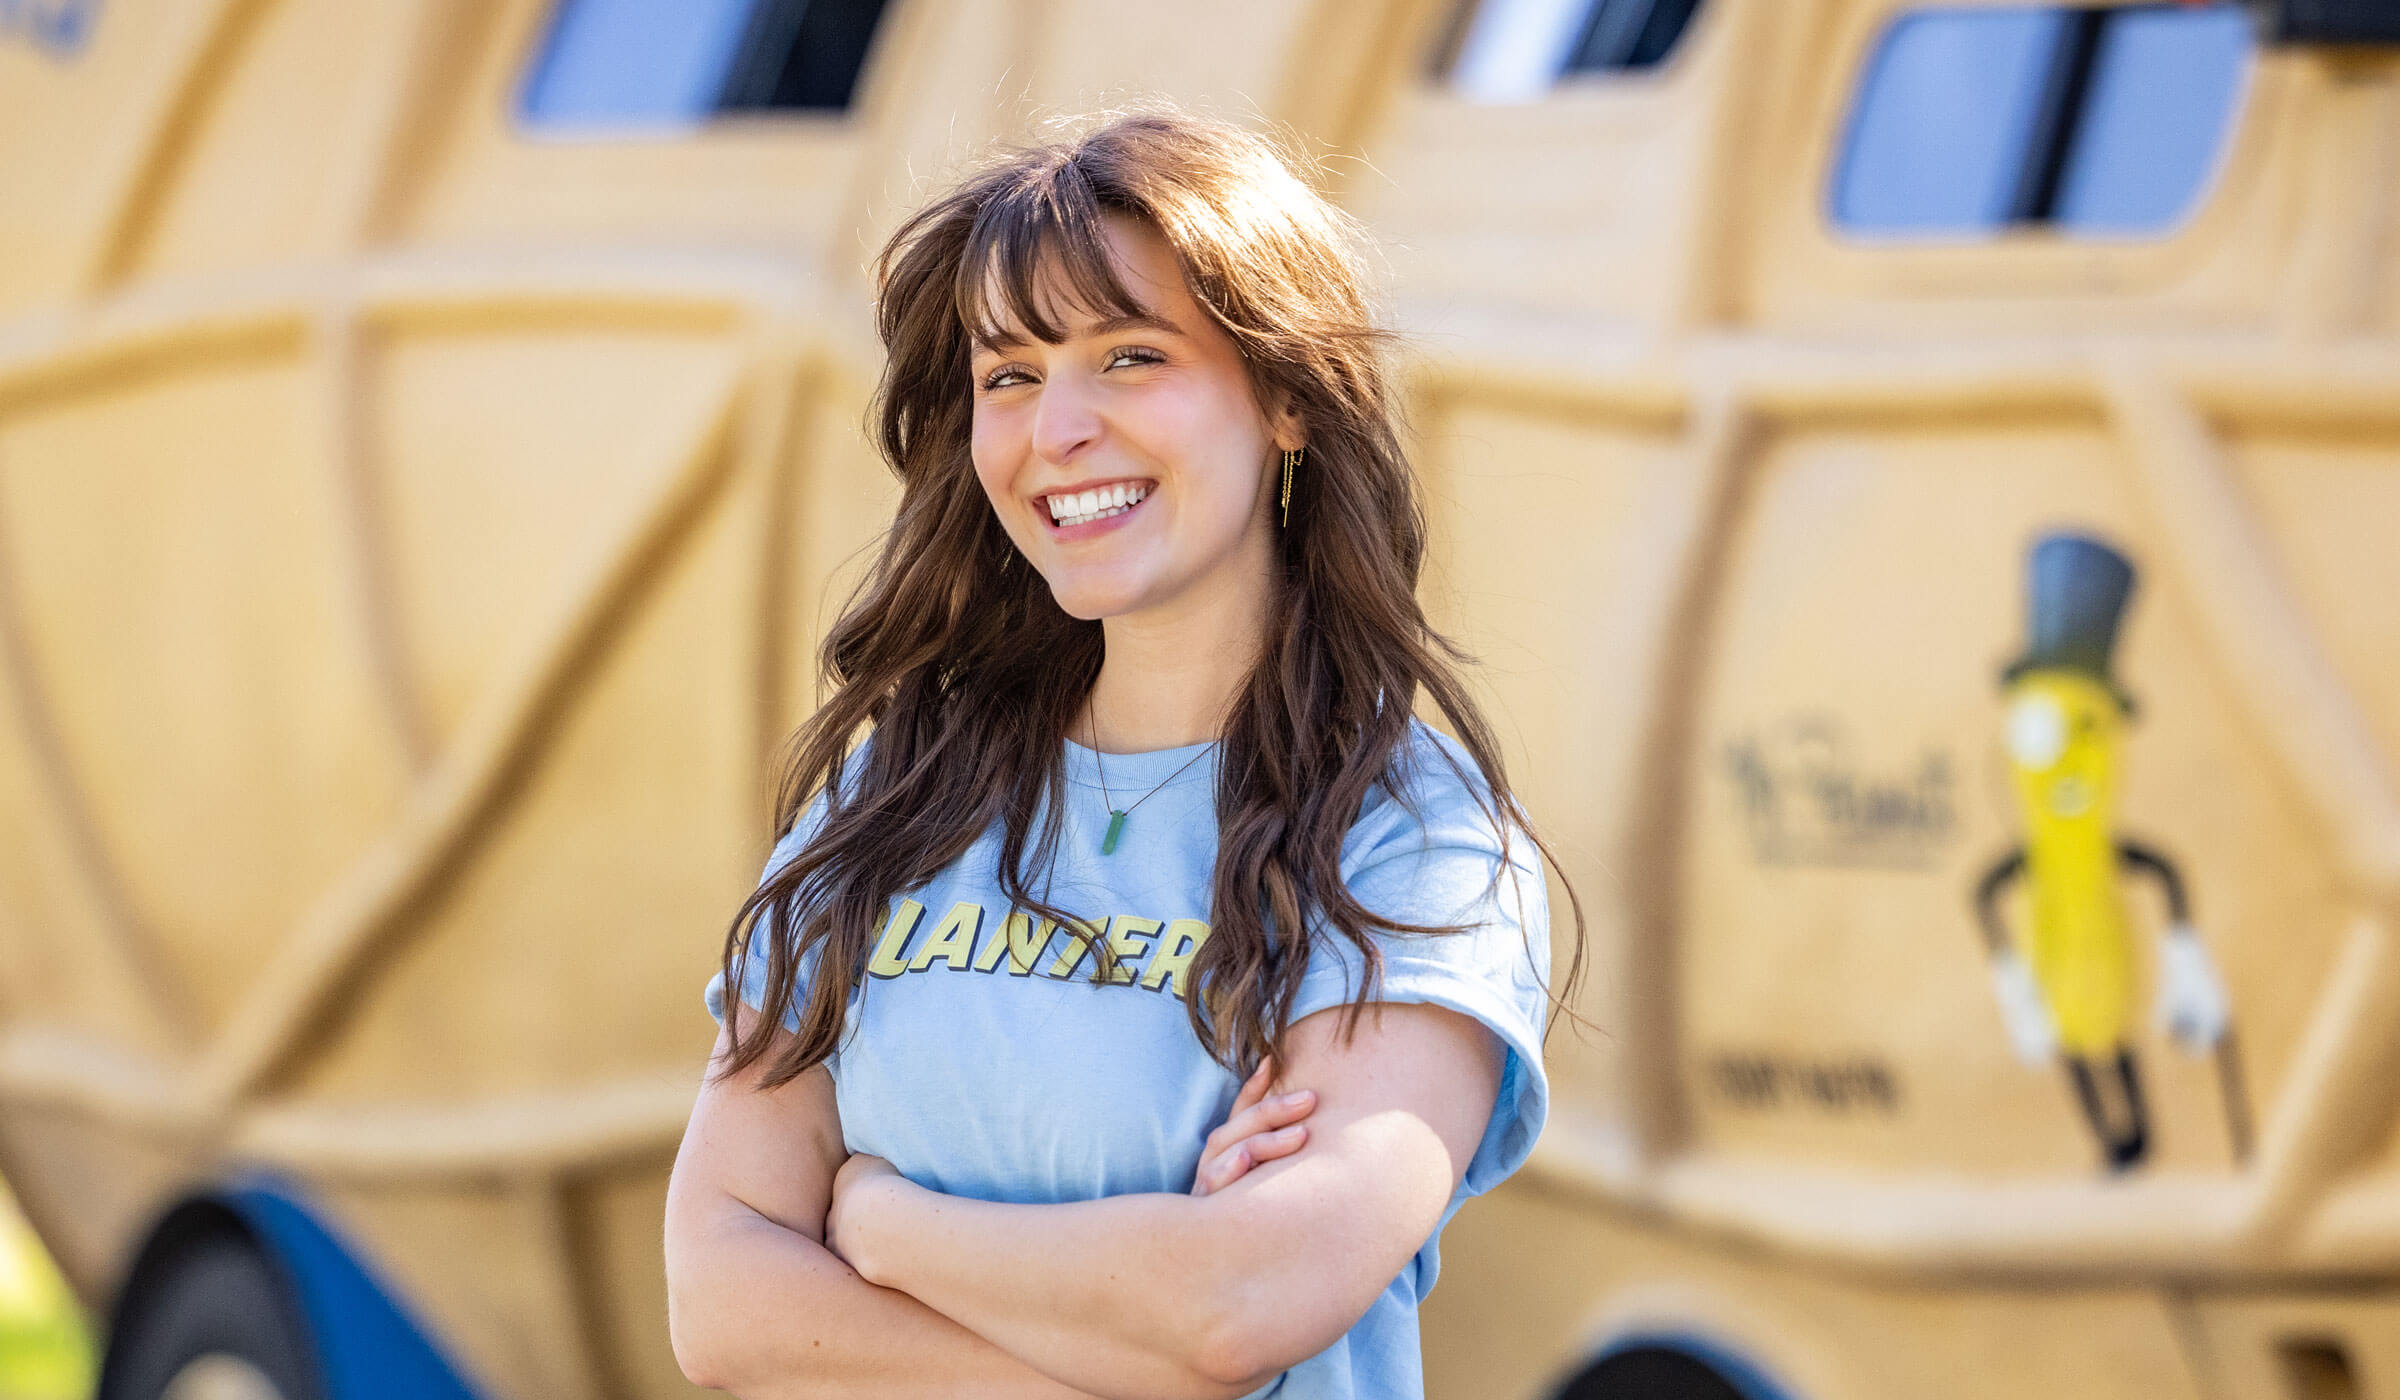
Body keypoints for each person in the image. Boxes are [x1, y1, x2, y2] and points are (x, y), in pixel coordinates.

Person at [662, 103, 1587, 1400]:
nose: (1058, 430)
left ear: (1287, 399)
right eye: (1011, 375)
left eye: (1131, 356)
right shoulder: (894, 802)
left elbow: (1239, 1303)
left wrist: (879, 1225)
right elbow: (719, 1303)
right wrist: (1125, 1334)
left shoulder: (1406, 842)